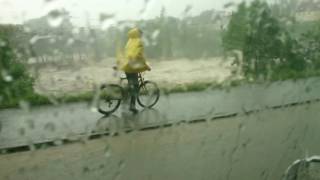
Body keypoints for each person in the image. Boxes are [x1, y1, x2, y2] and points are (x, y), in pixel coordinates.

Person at [116, 27, 151, 113]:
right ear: (139, 34)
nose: (141, 36)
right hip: (132, 66)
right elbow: (139, 56)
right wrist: (146, 65)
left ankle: (125, 93)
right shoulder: (139, 42)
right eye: (141, 34)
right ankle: (132, 106)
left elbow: (129, 54)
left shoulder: (129, 41)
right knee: (135, 87)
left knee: (131, 83)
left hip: (126, 65)